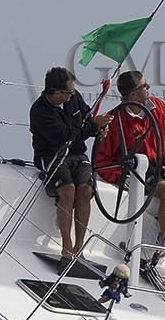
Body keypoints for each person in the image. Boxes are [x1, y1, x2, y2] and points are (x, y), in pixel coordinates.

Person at [94, 71, 165, 249]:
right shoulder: (114, 120)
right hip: (135, 169)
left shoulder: (158, 107)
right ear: (132, 94)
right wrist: (119, 177)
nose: (149, 88)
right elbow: (102, 160)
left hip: (158, 164)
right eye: (144, 86)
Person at [29, 66, 113, 260]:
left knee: (85, 190)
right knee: (68, 191)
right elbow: (65, 138)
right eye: (68, 92)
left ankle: (79, 247)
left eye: (72, 92)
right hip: (52, 155)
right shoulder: (40, 111)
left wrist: (99, 128)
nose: (71, 96)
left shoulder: (74, 99)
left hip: (77, 155)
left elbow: (86, 120)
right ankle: (66, 246)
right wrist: (93, 126)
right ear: (56, 92)